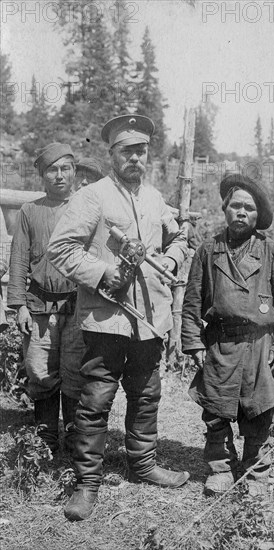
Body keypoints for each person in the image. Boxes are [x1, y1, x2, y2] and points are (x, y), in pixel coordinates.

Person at [47, 114, 190, 522]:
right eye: (126, 150)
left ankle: (142, 464)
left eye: (141, 150)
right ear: (111, 153)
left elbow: (179, 235)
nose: (135, 157)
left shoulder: (156, 198)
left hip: (148, 319)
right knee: (95, 399)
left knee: (146, 394)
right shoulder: (93, 196)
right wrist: (101, 272)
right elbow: (62, 248)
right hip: (107, 318)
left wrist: (171, 256)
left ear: (149, 154)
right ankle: (87, 482)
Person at [181, 174, 274, 496]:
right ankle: (220, 465)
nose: (241, 212)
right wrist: (193, 340)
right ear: (225, 209)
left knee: (259, 408)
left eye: (248, 207)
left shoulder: (273, 252)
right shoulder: (208, 250)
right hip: (220, 342)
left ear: (257, 215)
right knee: (216, 408)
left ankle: (254, 468)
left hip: (261, 345)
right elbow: (193, 299)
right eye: (235, 205)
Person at [7, 143, 85, 453]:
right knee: (40, 371)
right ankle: (46, 440)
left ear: (75, 172)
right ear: (42, 176)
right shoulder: (30, 211)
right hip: (39, 306)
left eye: (65, 168)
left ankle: (76, 438)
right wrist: (19, 305)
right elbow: (18, 260)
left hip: (79, 305)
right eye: (52, 169)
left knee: (75, 370)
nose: (59, 175)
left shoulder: (85, 208)